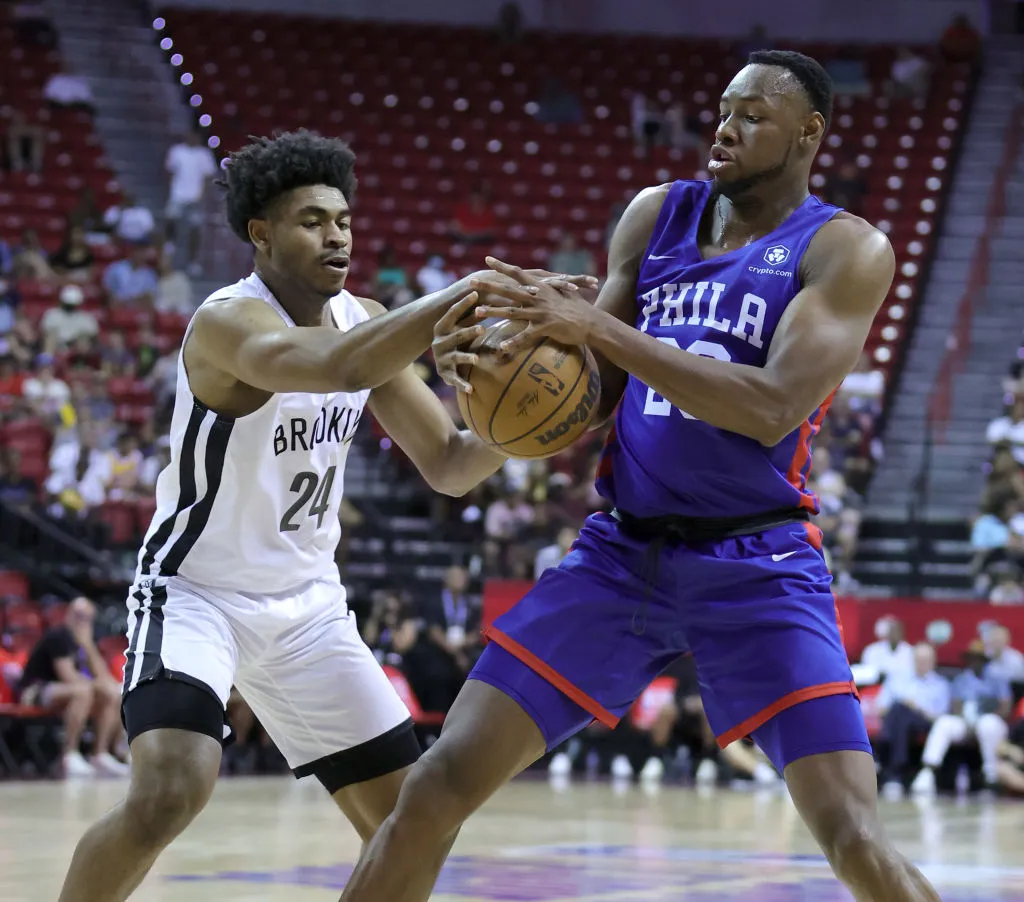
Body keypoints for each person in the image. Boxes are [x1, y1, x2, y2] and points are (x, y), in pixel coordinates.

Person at [340, 51, 942, 902]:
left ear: (809, 133)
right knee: (432, 789)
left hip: (758, 564)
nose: (725, 128)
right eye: (723, 110)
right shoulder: (656, 215)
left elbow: (772, 405)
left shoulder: (845, 248)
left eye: (754, 115)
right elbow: (593, 394)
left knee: (853, 837)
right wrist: (484, 372)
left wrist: (599, 329)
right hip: (619, 555)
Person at [55, 129, 590, 902]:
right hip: (198, 593)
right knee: (172, 788)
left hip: (307, 610)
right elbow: (333, 365)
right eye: (312, 220)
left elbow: (448, 463)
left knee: (417, 822)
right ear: (261, 233)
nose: (335, 234)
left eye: (342, 219)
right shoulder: (227, 323)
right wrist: (469, 290)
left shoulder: (361, 317)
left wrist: (532, 425)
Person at [15, 597, 128, 777]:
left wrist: (88, 644)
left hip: (65, 692)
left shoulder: (87, 640)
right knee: (83, 691)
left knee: (113, 693)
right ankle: (68, 755)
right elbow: (68, 677)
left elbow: (104, 677)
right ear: (68, 615)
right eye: (77, 615)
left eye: (86, 618)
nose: (81, 621)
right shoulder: (58, 636)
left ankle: (100, 754)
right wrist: (99, 685)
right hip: (33, 691)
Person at [910, 640, 1011, 795]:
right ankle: (928, 771)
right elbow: (955, 704)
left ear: (984, 660)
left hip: (990, 722)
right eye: (973, 658)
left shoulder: (997, 679)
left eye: (979, 658)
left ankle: (991, 777)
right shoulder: (961, 680)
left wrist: (987, 716)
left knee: (987, 724)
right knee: (944, 723)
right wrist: (967, 718)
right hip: (966, 721)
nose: (975, 661)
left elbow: (1005, 706)